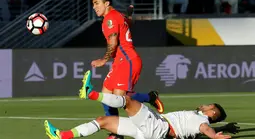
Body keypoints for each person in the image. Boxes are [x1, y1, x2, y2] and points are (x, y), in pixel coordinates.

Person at [44, 70, 232, 139]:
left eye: (208, 105)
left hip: (157, 127)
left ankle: (90, 93)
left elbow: (204, 128)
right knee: (103, 121)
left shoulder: (202, 120)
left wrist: (214, 135)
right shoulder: (199, 122)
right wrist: (223, 127)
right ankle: (63, 135)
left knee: (126, 101)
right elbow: (202, 130)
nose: (203, 105)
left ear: (212, 111)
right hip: (149, 131)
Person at [84, 0, 164, 138]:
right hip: (120, 62)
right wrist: (129, 15)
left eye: (97, 3)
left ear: (107, 3)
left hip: (128, 61)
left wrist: (104, 59)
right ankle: (116, 134)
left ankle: (150, 97)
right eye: (93, 4)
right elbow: (129, 22)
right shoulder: (118, 15)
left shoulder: (110, 18)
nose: (94, 7)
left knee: (119, 99)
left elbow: (114, 41)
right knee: (106, 97)